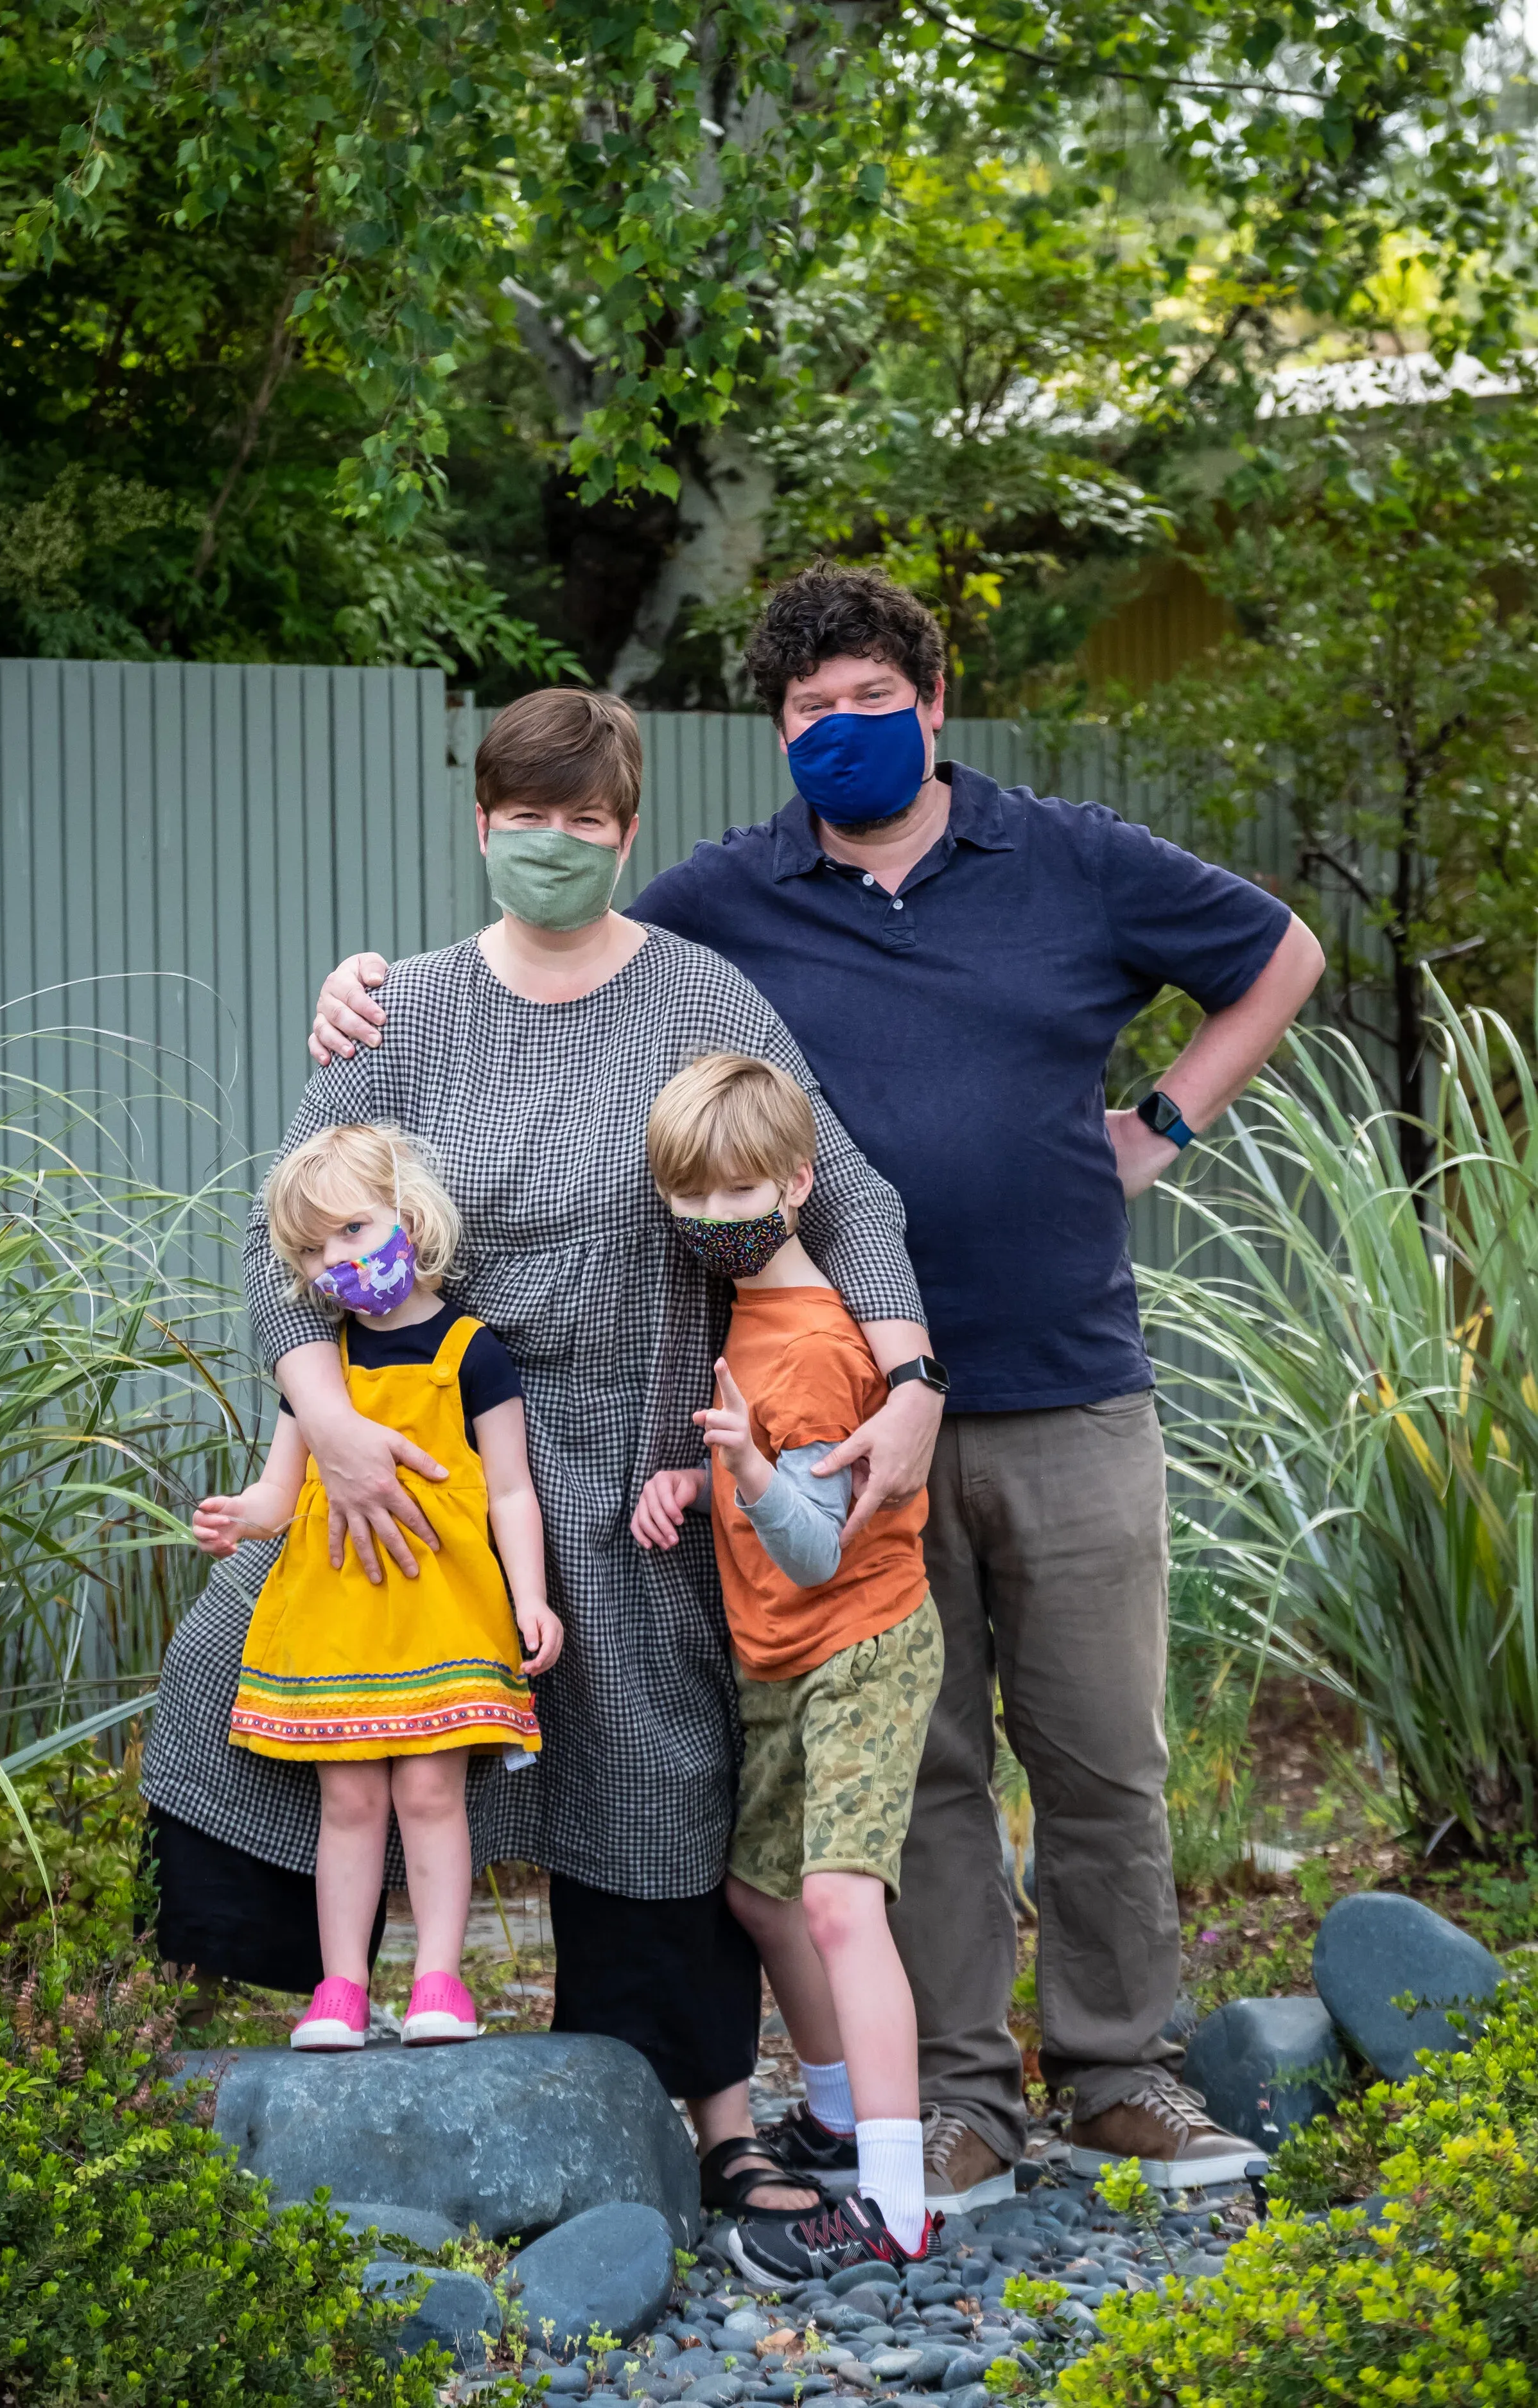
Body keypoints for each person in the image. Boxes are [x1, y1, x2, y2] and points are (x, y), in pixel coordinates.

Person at [309, 568, 1327, 2203]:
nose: (840, 730)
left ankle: (1120, 2070)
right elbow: (561, 944)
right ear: (776, 733)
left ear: (932, 704)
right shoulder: (728, 898)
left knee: (1096, 1757)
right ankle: (962, 2094)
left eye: (871, 701)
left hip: (1060, 1380)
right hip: (822, 1422)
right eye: (808, 711)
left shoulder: (1069, 856)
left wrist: (1159, 1127)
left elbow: (1279, 954)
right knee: (913, 1776)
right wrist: (366, 987)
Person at [142, 686, 939, 2216]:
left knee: (657, 1773)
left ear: (625, 831)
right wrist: (326, 1424)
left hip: (641, 1472)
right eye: (527, 817)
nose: (555, 842)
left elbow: (840, 1192)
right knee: (238, 1662)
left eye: (585, 819)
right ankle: (260, 2057)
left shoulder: (700, 996)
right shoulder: (401, 1010)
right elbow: (279, 1231)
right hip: (414, 1455)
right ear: (481, 825)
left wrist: (909, 1376)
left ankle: (703, 2117)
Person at [634, 1053, 942, 2283]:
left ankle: (897, 2203)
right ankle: (834, 2112)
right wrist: (701, 1476)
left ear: (799, 1183)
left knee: (836, 1903)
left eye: (738, 1193)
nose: (713, 1219)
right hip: (779, 1657)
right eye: (689, 1197)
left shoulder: (810, 1345)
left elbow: (814, 1547)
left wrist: (749, 1470)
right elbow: (777, 1487)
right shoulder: (752, 1311)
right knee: (762, 1892)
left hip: (856, 1642)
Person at [192, 1122, 561, 2051]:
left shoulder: (474, 1352)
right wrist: (242, 1516)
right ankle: (342, 1987)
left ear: (411, 1215)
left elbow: (511, 1490)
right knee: (350, 1804)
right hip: (340, 1623)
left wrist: (530, 1597)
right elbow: (282, 1490)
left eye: (354, 1230)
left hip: (442, 1615)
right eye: (313, 1250)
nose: (337, 1261)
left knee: (431, 1797)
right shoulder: (321, 1370)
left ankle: (440, 1977)